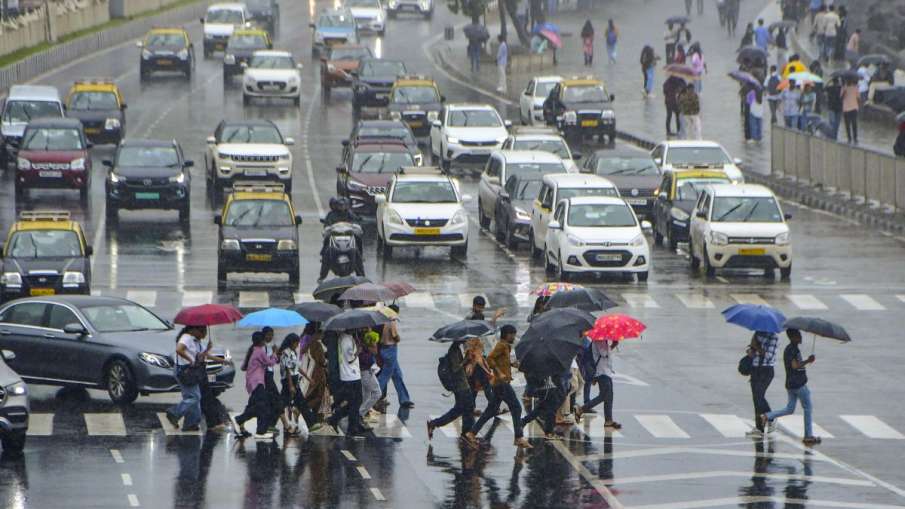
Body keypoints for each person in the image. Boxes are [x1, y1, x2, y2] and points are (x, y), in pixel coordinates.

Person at [465, 325, 531, 448]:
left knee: (491, 410)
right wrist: (499, 372)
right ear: (507, 334)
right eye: (513, 335)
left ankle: (472, 433)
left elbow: (500, 360)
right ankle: (518, 437)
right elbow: (490, 359)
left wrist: (512, 364)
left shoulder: (505, 346)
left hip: (499, 384)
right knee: (516, 408)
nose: (514, 337)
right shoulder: (501, 345)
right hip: (501, 383)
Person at [762, 329, 821, 445]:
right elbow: (795, 366)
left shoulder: (791, 349)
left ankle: (767, 416)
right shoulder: (792, 349)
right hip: (798, 384)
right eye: (798, 335)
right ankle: (808, 436)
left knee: (789, 409)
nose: (800, 337)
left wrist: (807, 361)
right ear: (792, 337)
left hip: (791, 384)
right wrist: (808, 360)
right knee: (808, 408)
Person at [427, 339, 476, 441]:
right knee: (462, 409)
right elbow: (455, 369)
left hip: (463, 385)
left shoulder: (456, 349)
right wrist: (466, 360)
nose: (466, 340)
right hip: (460, 386)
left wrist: (468, 360)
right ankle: (465, 432)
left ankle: (466, 431)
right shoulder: (453, 351)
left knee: (465, 408)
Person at [234, 331, 279, 440]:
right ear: (262, 341)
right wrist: (274, 353)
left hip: (252, 383)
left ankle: (256, 428)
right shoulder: (259, 351)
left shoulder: (253, 350)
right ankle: (245, 422)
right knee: (263, 407)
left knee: (257, 406)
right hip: (257, 382)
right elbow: (271, 363)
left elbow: (244, 367)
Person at [165, 326, 207, 432]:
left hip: (191, 371)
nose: (204, 334)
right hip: (184, 370)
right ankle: (174, 412)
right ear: (194, 329)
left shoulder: (194, 340)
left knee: (192, 397)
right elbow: (179, 349)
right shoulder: (186, 337)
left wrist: (208, 349)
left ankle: (191, 424)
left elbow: (200, 356)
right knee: (194, 397)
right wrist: (190, 359)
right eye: (202, 331)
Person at [327, 329, 366, 437]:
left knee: (354, 403)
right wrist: (358, 351)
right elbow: (350, 359)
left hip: (350, 375)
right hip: (351, 376)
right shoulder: (346, 340)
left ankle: (337, 419)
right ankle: (350, 428)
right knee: (356, 402)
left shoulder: (346, 338)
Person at [575, 340, 620, 429]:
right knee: (603, 396)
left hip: (606, 371)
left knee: (609, 396)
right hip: (601, 372)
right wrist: (613, 345)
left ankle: (608, 420)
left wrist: (612, 345)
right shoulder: (599, 341)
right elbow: (604, 354)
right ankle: (581, 409)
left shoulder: (603, 341)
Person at [376, 304, 413, 411]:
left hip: (384, 349)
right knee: (385, 376)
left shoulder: (383, 320)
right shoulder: (391, 321)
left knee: (397, 375)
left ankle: (404, 399)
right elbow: (395, 335)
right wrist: (398, 338)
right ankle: (373, 397)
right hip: (390, 350)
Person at [747, 330, 779, 436]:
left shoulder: (773, 336)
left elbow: (769, 356)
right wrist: (750, 350)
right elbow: (752, 352)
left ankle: (771, 418)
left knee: (759, 396)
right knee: (756, 399)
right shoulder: (757, 334)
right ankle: (759, 428)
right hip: (755, 369)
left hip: (766, 370)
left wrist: (756, 347)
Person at [279, 333, 311, 436]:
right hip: (289, 380)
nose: (297, 345)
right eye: (296, 343)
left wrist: (308, 378)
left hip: (294, 379)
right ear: (291, 342)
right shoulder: (286, 353)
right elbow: (288, 370)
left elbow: (297, 367)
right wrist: (291, 385)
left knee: (299, 403)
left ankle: (311, 424)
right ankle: (311, 424)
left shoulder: (292, 352)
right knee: (285, 403)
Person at [358, 329, 382, 425]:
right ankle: (360, 413)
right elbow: (372, 357)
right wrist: (374, 350)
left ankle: (360, 414)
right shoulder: (365, 354)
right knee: (377, 393)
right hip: (366, 373)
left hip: (364, 373)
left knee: (366, 395)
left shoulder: (362, 349)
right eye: (375, 344)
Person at [841, 78, 859, 144]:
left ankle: (852, 138)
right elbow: (858, 98)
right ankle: (852, 138)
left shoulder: (854, 88)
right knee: (851, 124)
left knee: (851, 124)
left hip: (849, 108)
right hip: (851, 108)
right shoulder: (845, 88)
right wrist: (844, 92)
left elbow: (841, 98)